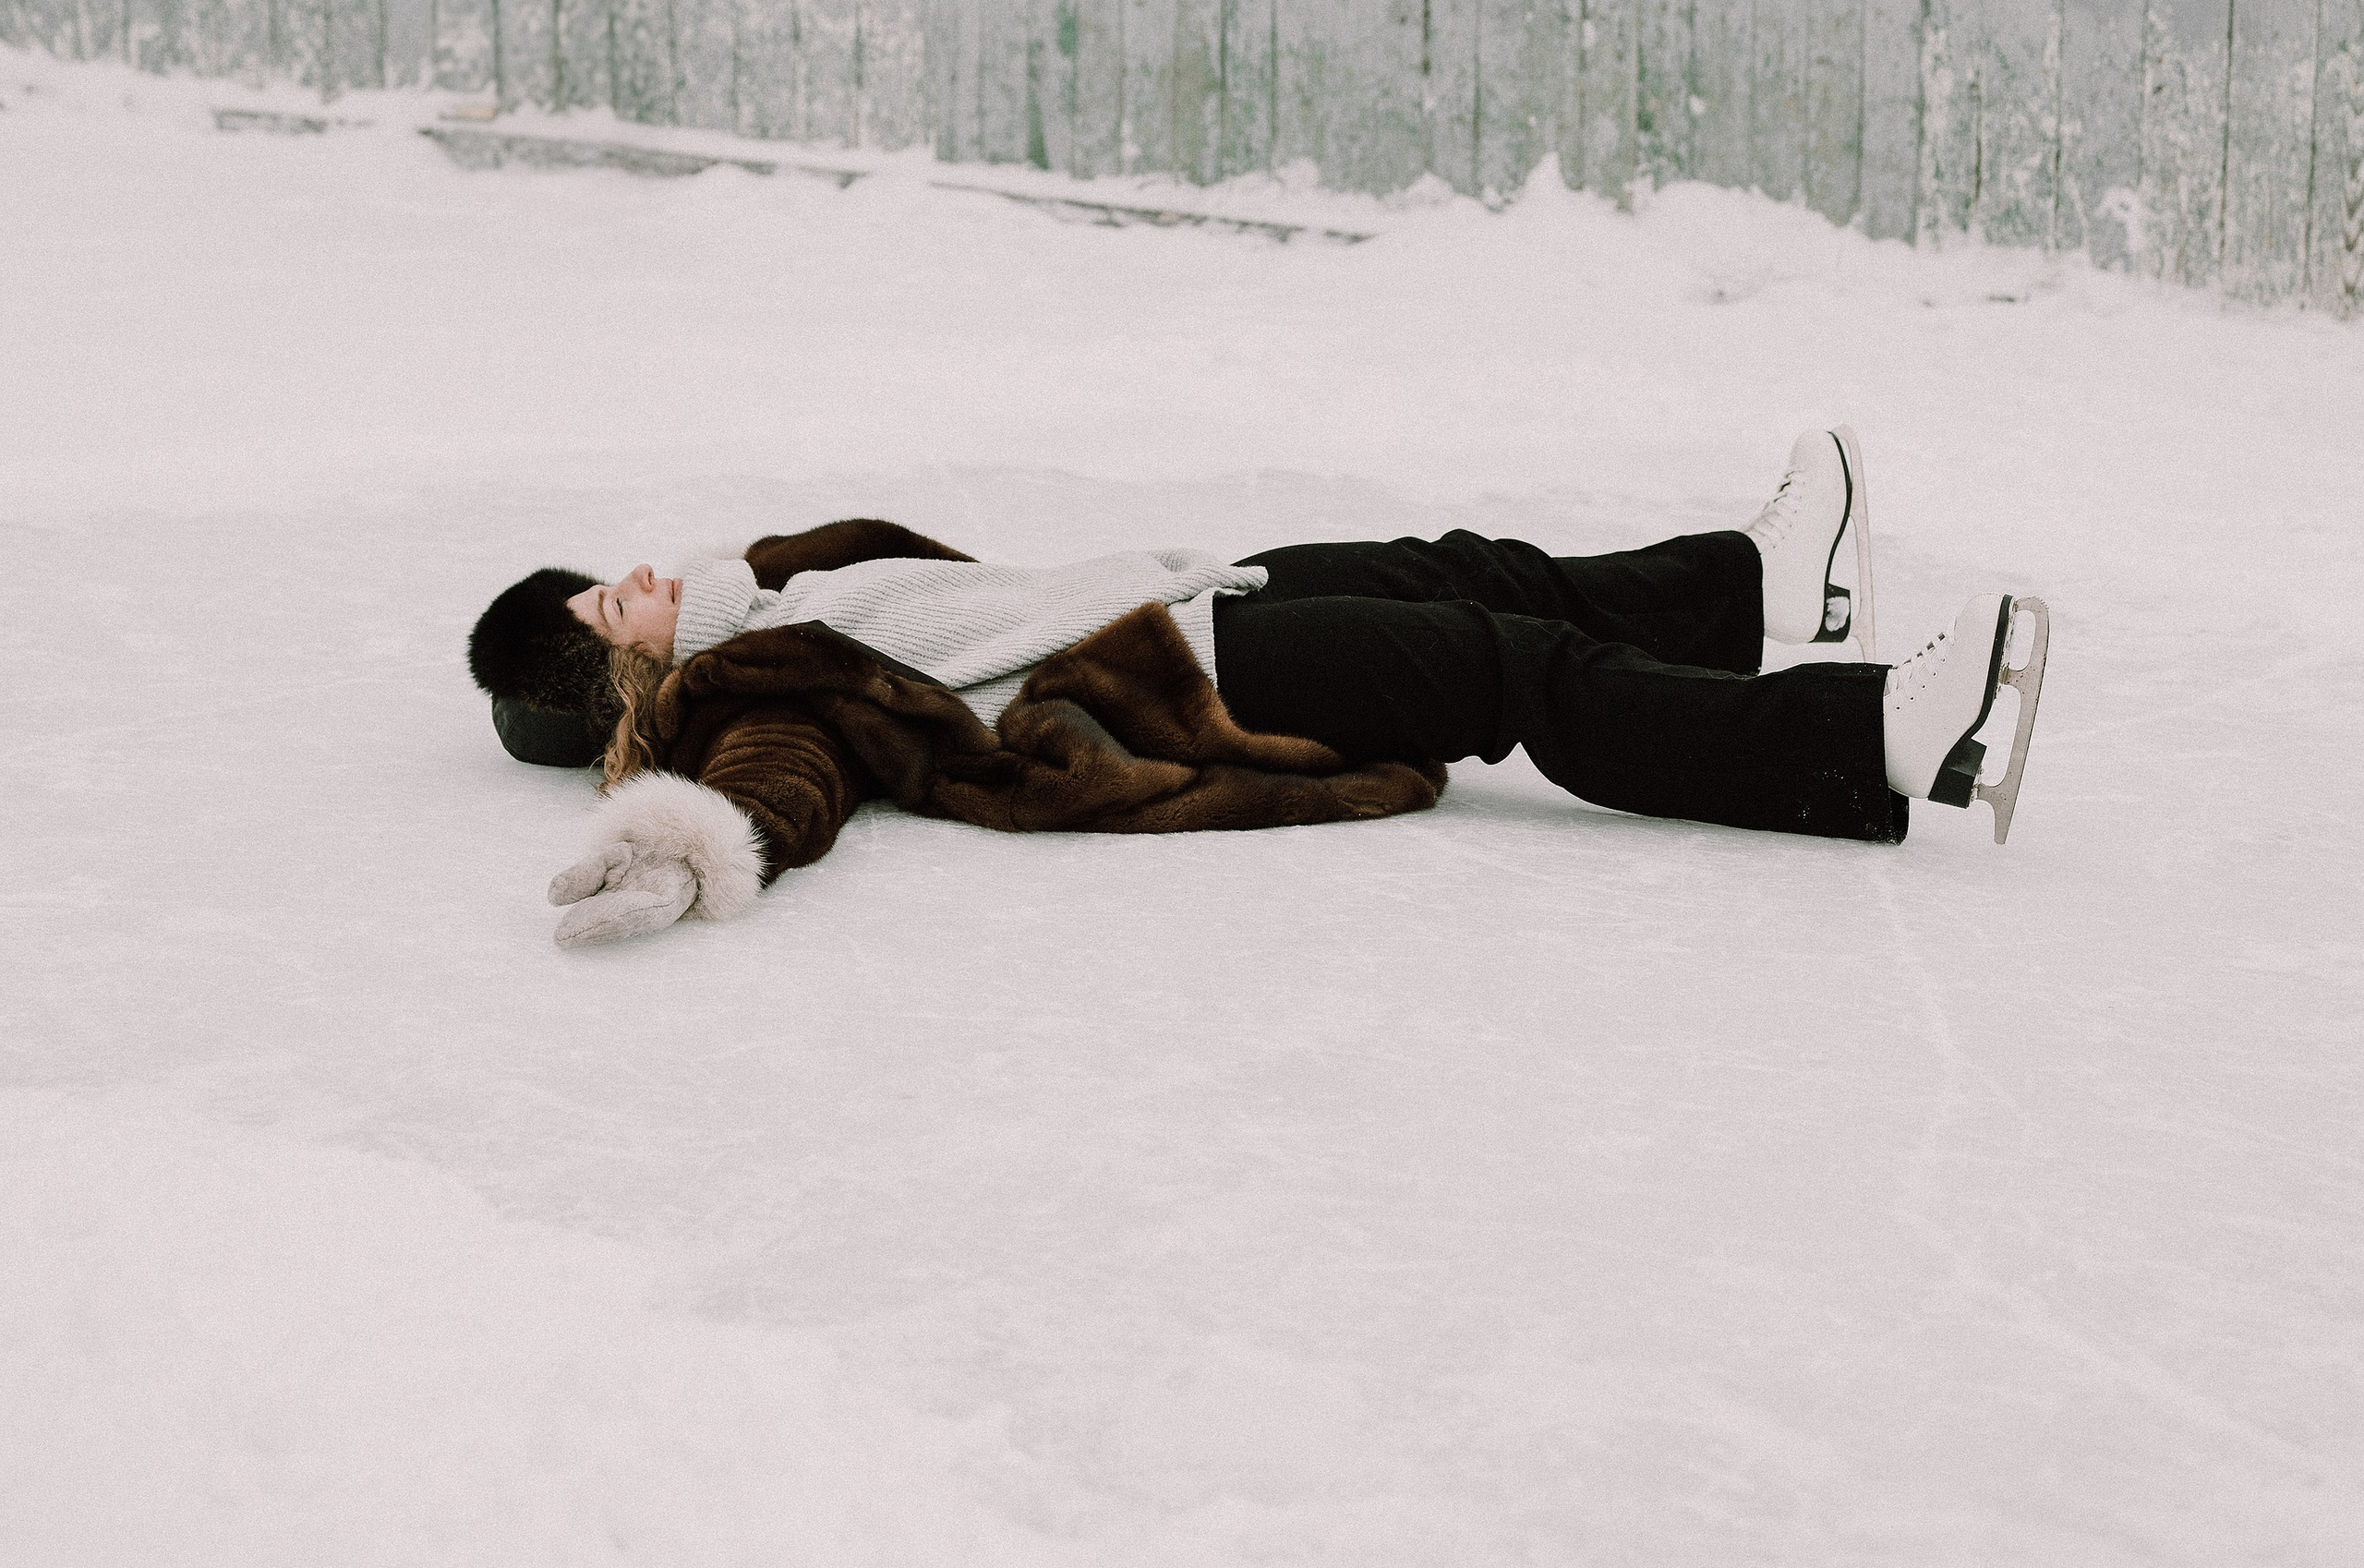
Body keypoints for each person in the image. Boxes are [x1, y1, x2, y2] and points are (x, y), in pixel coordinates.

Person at [464, 429, 2050, 947]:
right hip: (1178, 683)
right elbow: (774, 782)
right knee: (1512, 677)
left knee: (1465, 571)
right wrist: (691, 840)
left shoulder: (770, 586)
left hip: (1180, 597)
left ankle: (1760, 586)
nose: (646, 577)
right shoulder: (753, 688)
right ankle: (1878, 744)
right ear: (618, 669)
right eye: (617, 599)